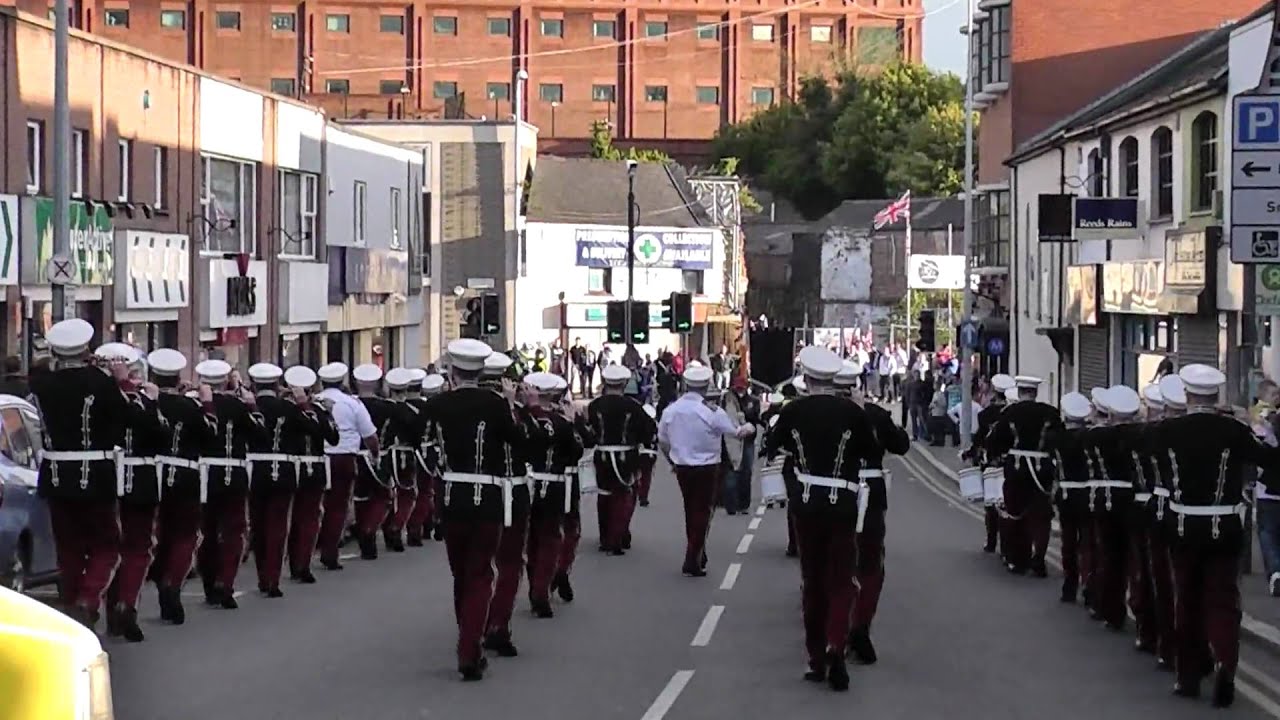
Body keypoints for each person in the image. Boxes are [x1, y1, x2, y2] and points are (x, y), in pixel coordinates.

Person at [1161, 364, 1280, 707]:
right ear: (1217, 397)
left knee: (1187, 601)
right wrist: (1252, 426)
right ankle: (1226, 665)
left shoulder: (1168, 430)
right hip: (1225, 528)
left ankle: (1188, 676)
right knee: (1223, 602)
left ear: (1186, 395)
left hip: (1183, 527)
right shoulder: (1234, 431)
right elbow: (1270, 459)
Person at [762, 346, 875, 691]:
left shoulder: (793, 411)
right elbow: (871, 452)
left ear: (807, 379)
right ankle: (836, 645)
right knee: (841, 579)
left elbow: (771, 446)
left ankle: (815, 659)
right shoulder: (853, 412)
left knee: (813, 581)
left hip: (807, 502)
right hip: (843, 501)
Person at [422, 339, 526, 681]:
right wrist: (511, 406)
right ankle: (470, 646)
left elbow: (423, 449)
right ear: (481, 372)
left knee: (461, 573)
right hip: (488, 498)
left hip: (452, 498)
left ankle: (468, 637)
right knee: (480, 573)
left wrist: (440, 474)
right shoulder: (496, 405)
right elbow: (517, 442)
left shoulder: (439, 404)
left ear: (452, 370)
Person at [246, 363, 337, 597]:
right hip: (286, 470)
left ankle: (263, 576)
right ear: (278, 385)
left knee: (258, 526)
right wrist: (314, 408)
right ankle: (274, 578)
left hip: (254, 471)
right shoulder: (293, 408)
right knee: (279, 526)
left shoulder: (248, 407)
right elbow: (326, 434)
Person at [99, 343, 167, 642]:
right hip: (137, 478)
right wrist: (149, 401)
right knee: (137, 548)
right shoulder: (139, 401)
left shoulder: (94, 400)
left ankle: (111, 608)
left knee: (110, 548)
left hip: (104, 478)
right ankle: (126, 602)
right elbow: (159, 434)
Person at [658, 365, 753, 577]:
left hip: (682, 466)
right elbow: (735, 432)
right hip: (707, 467)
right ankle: (693, 556)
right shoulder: (712, 411)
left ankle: (698, 551)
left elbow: (663, 440)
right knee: (703, 511)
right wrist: (748, 428)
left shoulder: (671, 410)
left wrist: (671, 460)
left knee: (690, 508)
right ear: (707, 385)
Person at [147, 348, 218, 625]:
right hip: (185, 476)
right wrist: (207, 404)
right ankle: (172, 582)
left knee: (158, 533)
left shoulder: (149, 403)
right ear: (178, 379)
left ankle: (156, 577)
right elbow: (211, 435)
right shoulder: (191, 407)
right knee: (184, 535)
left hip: (153, 475)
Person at [195, 359, 267, 610]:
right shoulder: (238, 406)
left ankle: (209, 584)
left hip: (205, 475)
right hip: (233, 473)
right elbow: (260, 435)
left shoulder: (198, 405)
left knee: (208, 532)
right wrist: (253, 407)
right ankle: (225, 582)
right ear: (227, 380)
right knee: (234, 532)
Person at [847, 374, 909, 666]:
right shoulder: (874, 414)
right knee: (870, 564)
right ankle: (860, 624)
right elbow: (901, 444)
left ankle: (836, 630)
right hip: (870, 493)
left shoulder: (817, 412)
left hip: (832, 492)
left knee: (832, 562)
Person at [522, 372, 585, 618]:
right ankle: (541, 590)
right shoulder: (562, 423)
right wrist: (573, 423)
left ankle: (535, 586)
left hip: (526, 485)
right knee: (550, 539)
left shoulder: (522, 418)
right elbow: (577, 451)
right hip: (556, 486)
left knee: (531, 540)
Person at [986, 376, 1061, 577]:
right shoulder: (1051, 413)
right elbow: (1058, 441)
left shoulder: (1010, 412)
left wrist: (997, 456)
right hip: (1042, 469)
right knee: (1041, 516)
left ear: (1019, 393)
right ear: (1035, 393)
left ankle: (1019, 560)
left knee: (1015, 514)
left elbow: (996, 441)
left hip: (1017, 469)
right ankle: (1039, 560)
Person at [1085, 385, 1143, 630]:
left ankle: (1110, 609)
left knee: (1108, 556)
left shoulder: (1094, 436)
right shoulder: (1142, 435)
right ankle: (1137, 609)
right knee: (1133, 559)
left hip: (1103, 498)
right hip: (1132, 500)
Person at [316, 363, 380, 571]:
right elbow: (370, 435)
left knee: (314, 506)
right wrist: (375, 454)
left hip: (318, 458)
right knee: (338, 507)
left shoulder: (314, 401)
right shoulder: (352, 403)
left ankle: (308, 549)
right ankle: (330, 552)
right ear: (343, 381)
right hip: (344, 458)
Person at [282, 365, 339, 583]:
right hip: (309, 468)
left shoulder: (285, 409)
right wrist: (328, 413)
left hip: (293, 468)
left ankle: (296, 562)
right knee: (308, 519)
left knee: (296, 518)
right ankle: (301, 563)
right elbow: (332, 436)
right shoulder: (313, 411)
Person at [587, 365, 648, 555]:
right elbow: (646, 430)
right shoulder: (633, 406)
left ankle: (605, 537)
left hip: (602, 454)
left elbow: (592, 431)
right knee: (622, 496)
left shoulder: (595, 405)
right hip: (626, 455)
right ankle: (617, 537)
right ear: (624, 383)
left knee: (604, 495)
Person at [351, 364, 407, 559]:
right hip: (379, 455)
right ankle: (369, 529)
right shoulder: (389, 407)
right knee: (383, 496)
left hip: (356, 455)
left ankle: (362, 532)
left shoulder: (350, 404)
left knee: (360, 498)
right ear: (376, 384)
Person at [1049, 391, 1094, 605]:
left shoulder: (1056, 438)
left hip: (1066, 494)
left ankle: (1069, 585)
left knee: (1068, 542)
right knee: (1087, 543)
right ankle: (1088, 584)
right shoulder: (1090, 438)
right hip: (1087, 494)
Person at [381, 367, 430, 553]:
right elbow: (417, 436)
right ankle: (396, 526)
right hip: (404, 454)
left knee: (387, 493)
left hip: (385, 454)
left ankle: (387, 528)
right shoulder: (410, 411)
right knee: (407, 494)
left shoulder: (382, 407)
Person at [963, 373, 1014, 555]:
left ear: (993, 392)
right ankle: (1009, 544)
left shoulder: (986, 414)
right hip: (1011, 464)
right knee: (1008, 505)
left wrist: (968, 453)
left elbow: (980, 439)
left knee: (991, 505)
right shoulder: (1012, 413)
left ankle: (992, 541)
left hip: (992, 464)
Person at [405, 372, 446, 545]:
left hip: (416, 451)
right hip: (433, 452)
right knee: (431, 491)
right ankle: (418, 525)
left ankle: (427, 524)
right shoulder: (439, 409)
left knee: (425, 490)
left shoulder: (413, 407)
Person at [719, 376, 761, 515]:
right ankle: (730, 504)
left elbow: (755, 417)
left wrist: (745, 417)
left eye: (741, 387)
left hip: (748, 440)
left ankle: (744, 504)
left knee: (746, 472)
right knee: (731, 471)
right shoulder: (727, 400)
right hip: (731, 439)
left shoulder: (753, 401)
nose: (739, 390)